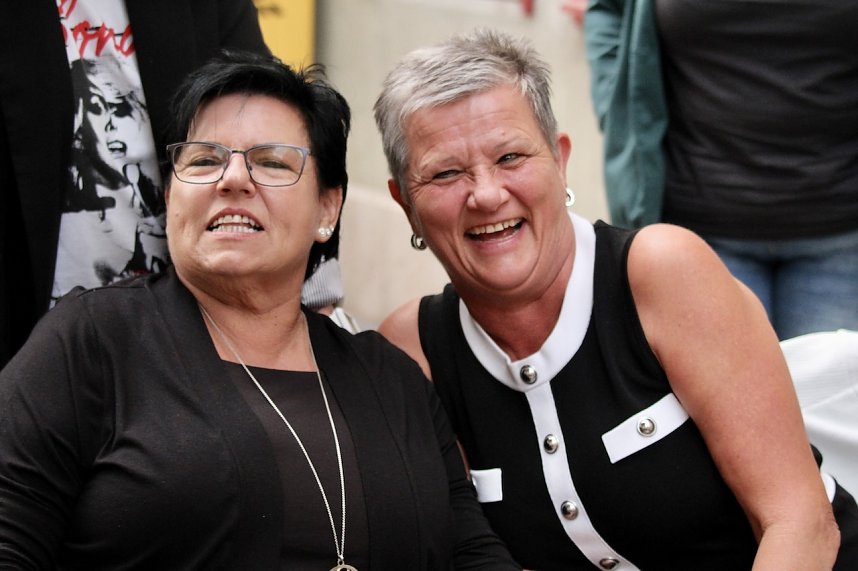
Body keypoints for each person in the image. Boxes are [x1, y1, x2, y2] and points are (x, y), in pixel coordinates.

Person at [0, 51, 520, 570]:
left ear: (327, 209)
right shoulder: (91, 344)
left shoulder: (392, 379)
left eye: (272, 162)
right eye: (203, 160)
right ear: (171, 195)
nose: (232, 179)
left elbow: (470, 552)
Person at [373, 29, 858, 570]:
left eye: (510, 157)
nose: (486, 194)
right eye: (446, 173)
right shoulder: (414, 349)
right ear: (406, 203)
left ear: (559, 160)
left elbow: (801, 523)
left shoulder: (662, 272)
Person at [0, 0, 270, 368]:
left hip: (179, 351)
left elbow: (273, 123)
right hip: (28, 351)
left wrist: (315, 286)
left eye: (120, 109)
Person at [584, 0, 858, 341]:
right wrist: (618, 108)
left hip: (842, 233)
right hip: (699, 232)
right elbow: (608, 10)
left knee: (831, 378)